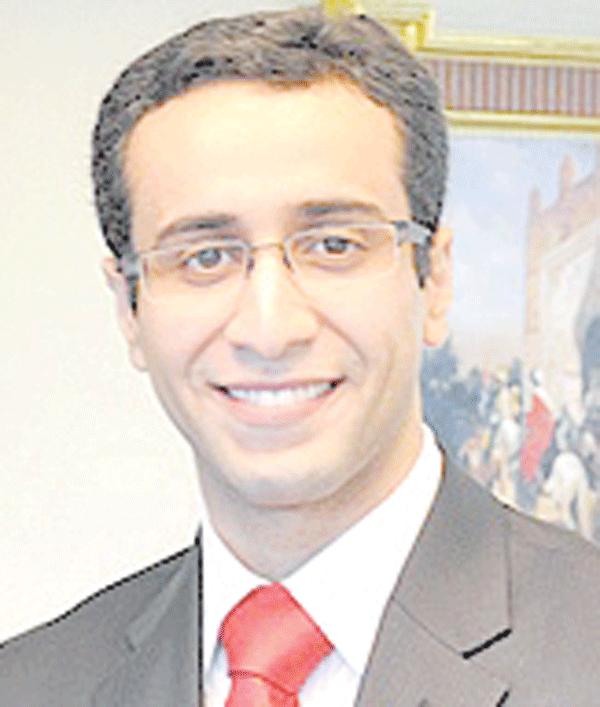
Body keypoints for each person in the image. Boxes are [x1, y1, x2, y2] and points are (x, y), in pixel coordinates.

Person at [1, 6, 600, 706]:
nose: (270, 328)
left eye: (333, 245)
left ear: (435, 279)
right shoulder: (31, 684)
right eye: (205, 256)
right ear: (129, 309)